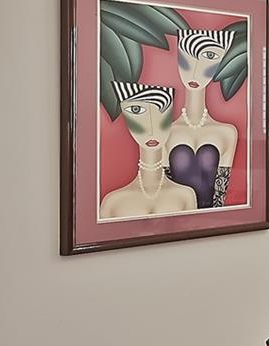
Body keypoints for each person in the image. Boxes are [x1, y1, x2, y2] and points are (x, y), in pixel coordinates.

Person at [99, 82, 198, 219]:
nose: (152, 128)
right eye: (136, 110)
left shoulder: (186, 195)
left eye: (161, 111)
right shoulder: (112, 203)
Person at [167, 27, 241, 208]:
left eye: (209, 56)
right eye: (187, 58)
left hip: (211, 219)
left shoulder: (227, 133)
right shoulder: (166, 132)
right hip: (174, 218)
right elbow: (166, 191)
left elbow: (220, 196)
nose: (195, 70)